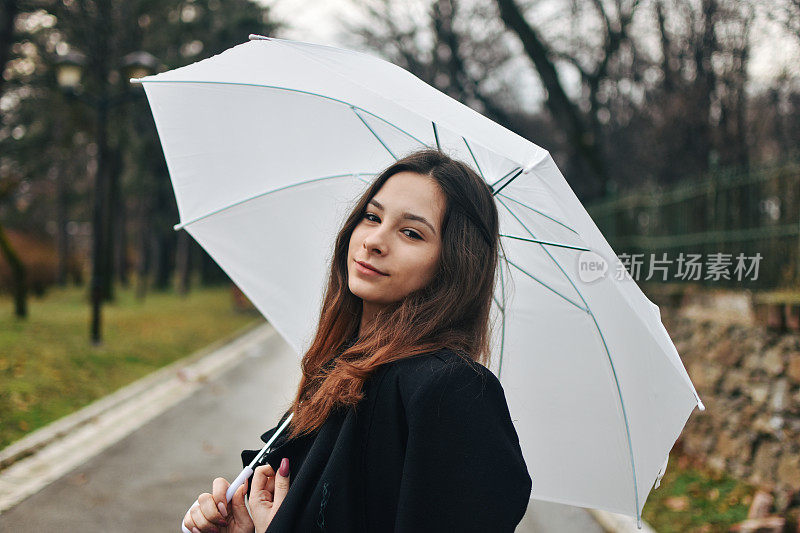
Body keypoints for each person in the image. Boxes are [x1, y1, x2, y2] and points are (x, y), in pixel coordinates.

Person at [183, 149, 532, 533]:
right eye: (372, 216)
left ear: (453, 264)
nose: (374, 241)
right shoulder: (341, 371)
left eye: (411, 232)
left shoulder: (450, 391)